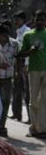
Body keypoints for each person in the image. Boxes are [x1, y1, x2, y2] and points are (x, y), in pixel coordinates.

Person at [18, 10, 46, 139]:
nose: (40, 21)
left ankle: (42, 128)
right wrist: (30, 51)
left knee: (44, 100)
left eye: (42, 19)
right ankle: (34, 128)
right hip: (33, 69)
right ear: (34, 20)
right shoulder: (28, 35)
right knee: (33, 100)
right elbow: (21, 53)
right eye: (38, 19)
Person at [11, 10, 31, 122]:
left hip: (25, 65)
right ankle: (17, 114)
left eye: (17, 19)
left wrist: (24, 66)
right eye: (15, 19)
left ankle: (30, 117)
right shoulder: (18, 31)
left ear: (23, 20)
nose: (16, 21)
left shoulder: (27, 32)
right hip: (17, 64)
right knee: (16, 89)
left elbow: (27, 50)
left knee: (27, 91)